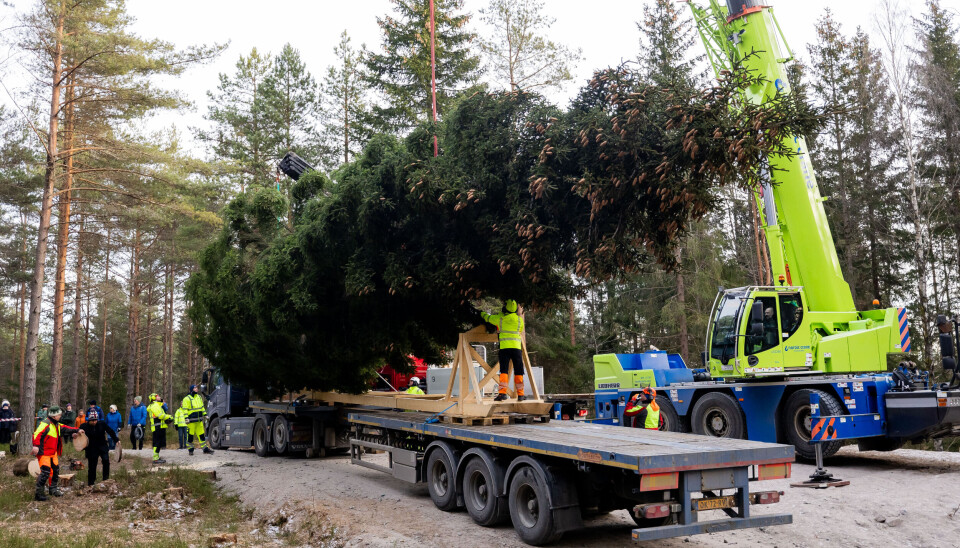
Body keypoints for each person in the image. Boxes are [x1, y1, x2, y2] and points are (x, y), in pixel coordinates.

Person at [479, 299, 526, 402]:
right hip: (517, 348)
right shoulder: (519, 320)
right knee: (519, 371)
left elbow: (488, 318)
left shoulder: (500, 318)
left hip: (504, 348)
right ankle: (521, 395)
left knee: (504, 370)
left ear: (505, 308)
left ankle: (502, 394)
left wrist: (481, 313)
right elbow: (520, 330)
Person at [32, 405, 81, 501]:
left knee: (55, 471)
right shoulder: (45, 423)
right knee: (45, 473)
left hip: (53, 453)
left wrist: (77, 430)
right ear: (54, 416)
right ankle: (39, 494)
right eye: (59, 415)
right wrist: (35, 446)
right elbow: (37, 434)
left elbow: (66, 428)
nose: (60, 416)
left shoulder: (57, 424)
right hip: (44, 453)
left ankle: (53, 489)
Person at [78, 409, 118, 486]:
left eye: (95, 420)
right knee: (92, 465)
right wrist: (76, 434)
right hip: (91, 448)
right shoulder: (84, 426)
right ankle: (91, 483)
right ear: (89, 420)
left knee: (106, 461)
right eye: (92, 420)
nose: (94, 422)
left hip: (102, 446)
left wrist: (116, 440)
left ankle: (106, 480)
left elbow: (110, 431)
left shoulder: (102, 424)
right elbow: (77, 436)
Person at [182, 385, 214, 455]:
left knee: (202, 435)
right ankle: (190, 450)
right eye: (195, 388)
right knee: (190, 436)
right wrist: (186, 418)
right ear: (191, 389)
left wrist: (205, 415)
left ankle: (205, 449)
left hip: (199, 420)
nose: (197, 389)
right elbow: (185, 410)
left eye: (196, 388)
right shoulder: (186, 399)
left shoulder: (199, 397)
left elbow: (202, 407)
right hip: (191, 421)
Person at [146, 395, 172, 464]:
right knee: (157, 443)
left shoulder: (157, 405)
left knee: (158, 443)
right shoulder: (155, 405)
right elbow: (160, 415)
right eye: (157, 396)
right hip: (157, 427)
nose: (159, 397)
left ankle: (156, 457)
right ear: (153, 398)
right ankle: (155, 459)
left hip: (160, 427)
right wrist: (169, 417)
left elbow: (162, 414)